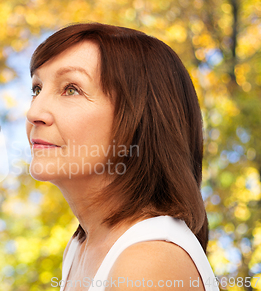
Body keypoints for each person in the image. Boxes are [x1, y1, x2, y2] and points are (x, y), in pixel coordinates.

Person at [25, 22, 219, 291]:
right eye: (36, 89)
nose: (34, 112)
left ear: (140, 120)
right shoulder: (80, 246)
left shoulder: (146, 265)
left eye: (71, 89)